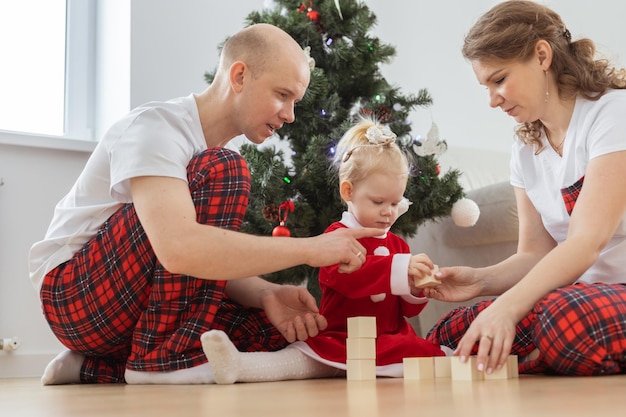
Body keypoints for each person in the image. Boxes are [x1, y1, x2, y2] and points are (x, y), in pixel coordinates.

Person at [29, 23, 381, 385]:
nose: (290, 115)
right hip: (74, 299)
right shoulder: (158, 128)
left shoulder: (212, 162)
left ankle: (93, 367)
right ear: (239, 75)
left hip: (129, 311)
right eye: (282, 95)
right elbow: (178, 248)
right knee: (225, 169)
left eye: (295, 102)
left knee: (279, 332)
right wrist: (310, 249)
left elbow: (196, 264)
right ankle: (160, 362)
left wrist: (267, 293)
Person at [424, 0, 626, 377]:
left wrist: (509, 307)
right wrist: (480, 281)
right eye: (485, 86)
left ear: (542, 55)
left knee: (560, 320)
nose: (492, 99)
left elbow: (587, 241)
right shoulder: (525, 149)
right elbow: (534, 253)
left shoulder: (613, 114)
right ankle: (547, 356)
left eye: (499, 80)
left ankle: (545, 352)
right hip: (576, 296)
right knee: (449, 334)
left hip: (600, 294)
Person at [201, 117, 449, 384]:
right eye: (378, 202)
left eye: (395, 202)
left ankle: (469, 359)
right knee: (301, 360)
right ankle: (238, 365)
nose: (388, 212)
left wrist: (417, 288)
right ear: (348, 191)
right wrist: (400, 269)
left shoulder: (398, 246)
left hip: (387, 339)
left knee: (429, 355)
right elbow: (347, 279)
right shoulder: (336, 237)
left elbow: (407, 311)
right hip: (341, 336)